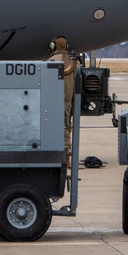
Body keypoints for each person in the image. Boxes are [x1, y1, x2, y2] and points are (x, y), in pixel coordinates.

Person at [47, 36, 77, 168]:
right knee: (66, 127)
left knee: (58, 128)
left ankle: (64, 158)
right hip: (67, 99)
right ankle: (67, 156)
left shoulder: (53, 60)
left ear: (53, 47)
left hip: (55, 100)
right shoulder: (71, 61)